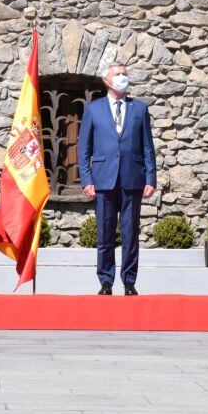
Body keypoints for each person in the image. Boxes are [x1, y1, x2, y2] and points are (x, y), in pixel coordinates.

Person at [78, 63, 156, 296]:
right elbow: (84, 148)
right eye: (118, 74)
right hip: (103, 179)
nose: (123, 78)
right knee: (105, 232)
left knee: (131, 232)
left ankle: (129, 280)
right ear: (106, 80)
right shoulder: (94, 109)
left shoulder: (139, 109)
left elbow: (147, 147)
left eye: (125, 74)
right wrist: (86, 179)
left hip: (133, 178)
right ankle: (106, 280)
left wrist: (150, 178)